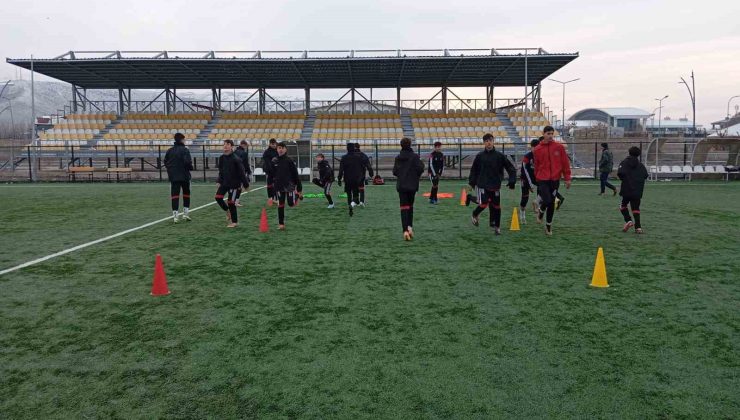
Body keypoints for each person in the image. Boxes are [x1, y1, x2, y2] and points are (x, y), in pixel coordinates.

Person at [468, 133, 517, 235]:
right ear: (484, 143)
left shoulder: (500, 156)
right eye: (486, 141)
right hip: (482, 184)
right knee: (484, 203)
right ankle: (474, 214)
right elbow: (474, 170)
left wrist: (512, 180)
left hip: (495, 185)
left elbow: (510, 168)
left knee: (496, 207)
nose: (488, 142)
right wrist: (472, 182)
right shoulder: (480, 156)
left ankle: (497, 228)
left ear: (493, 141)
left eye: (490, 140)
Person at [533, 126, 572, 236]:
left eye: (552, 133)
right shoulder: (537, 149)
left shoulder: (559, 147)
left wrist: (567, 178)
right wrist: (537, 177)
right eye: (548, 133)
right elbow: (536, 165)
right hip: (542, 179)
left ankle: (548, 225)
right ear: (543, 134)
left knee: (551, 204)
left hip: (555, 180)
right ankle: (541, 211)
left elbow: (565, 163)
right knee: (548, 200)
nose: (550, 136)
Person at [393, 137, 424, 240]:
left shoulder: (398, 157)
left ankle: (405, 230)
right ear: (410, 145)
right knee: (410, 207)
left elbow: (395, 172)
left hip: (402, 186)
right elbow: (420, 169)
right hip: (412, 186)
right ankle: (410, 227)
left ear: (401, 145)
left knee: (404, 208)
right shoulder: (415, 157)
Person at [215, 140, 249, 228]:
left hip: (234, 184)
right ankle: (227, 211)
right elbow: (221, 171)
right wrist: (219, 181)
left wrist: (245, 184)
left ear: (232, 147)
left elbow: (242, 172)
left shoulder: (236, 159)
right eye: (224, 144)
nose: (225, 146)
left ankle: (235, 222)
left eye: (228, 144)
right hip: (224, 182)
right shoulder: (222, 158)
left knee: (231, 202)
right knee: (218, 197)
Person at [270, 141, 303, 230]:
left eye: (282, 148)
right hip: (279, 186)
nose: (280, 150)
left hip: (289, 186)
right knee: (280, 204)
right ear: (277, 149)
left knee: (291, 204)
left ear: (285, 149)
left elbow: (295, 174)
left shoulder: (289, 160)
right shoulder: (274, 160)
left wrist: (299, 187)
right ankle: (281, 224)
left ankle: (296, 195)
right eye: (279, 148)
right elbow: (272, 173)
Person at [617, 146, 648, 234]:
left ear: (629, 152)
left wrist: (625, 180)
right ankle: (638, 228)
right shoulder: (641, 165)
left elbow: (620, 173)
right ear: (638, 155)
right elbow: (645, 175)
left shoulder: (625, 162)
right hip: (638, 190)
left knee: (623, 205)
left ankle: (628, 221)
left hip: (627, 189)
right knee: (636, 208)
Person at [164, 132, 193, 223]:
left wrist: (171, 170)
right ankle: (186, 214)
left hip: (174, 177)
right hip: (184, 176)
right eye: (184, 139)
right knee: (186, 194)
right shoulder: (185, 150)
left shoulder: (170, 150)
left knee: (175, 195)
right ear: (182, 140)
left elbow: (165, 162)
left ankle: (175, 216)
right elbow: (188, 162)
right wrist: (190, 168)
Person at [337, 143, 364, 217]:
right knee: (355, 195)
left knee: (349, 194)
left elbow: (341, 170)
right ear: (354, 148)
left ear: (347, 149)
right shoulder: (358, 157)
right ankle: (352, 205)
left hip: (347, 179)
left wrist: (339, 179)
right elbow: (362, 169)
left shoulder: (344, 158)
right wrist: (361, 178)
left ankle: (350, 205)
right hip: (356, 179)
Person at [519, 138, 539, 223]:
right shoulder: (527, 157)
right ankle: (522, 214)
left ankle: (537, 204)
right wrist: (530, 185)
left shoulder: (541, 156)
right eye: (534, 147)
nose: (535, 149)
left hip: (535, 178)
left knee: (544, 188)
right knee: (525, 198)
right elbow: (525, 171)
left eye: (537, 147)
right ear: (531, 148)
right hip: (525, 178)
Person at [233, 140, 252, 207]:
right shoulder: (244, 153)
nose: (246, 147)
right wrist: (249, 171)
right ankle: (236, 201)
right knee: (239, 187)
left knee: (235, 187)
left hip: (234, 171)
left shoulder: (234, 151)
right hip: (241, 171)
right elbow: (245, 164)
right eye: (246, 145)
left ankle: (234, 200)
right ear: (243, 145)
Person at [261, 138, 279, 207]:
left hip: (277, 171)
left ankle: (276, 199)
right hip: (269, 171)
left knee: (276, 185)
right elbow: (267, 163)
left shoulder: (277, 150)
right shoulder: (266, 152)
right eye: (272, 144)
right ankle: (270, 199)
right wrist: (271, 169)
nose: (274, 145)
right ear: (270, 144)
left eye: (275, 144)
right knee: (269, 185)